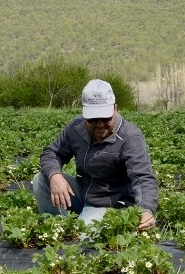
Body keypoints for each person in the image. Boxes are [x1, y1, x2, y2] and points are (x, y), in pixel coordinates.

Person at [32, 79, 158, 230]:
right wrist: (55, 176)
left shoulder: (130, 137)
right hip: (84, 192)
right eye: (93, 119)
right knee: (41, 180)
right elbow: (52, 153)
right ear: (85, 114)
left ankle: (75, 230)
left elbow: (143, 177)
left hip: (112, 203)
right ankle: (56, 229)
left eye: (106, 118)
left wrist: (146, 209)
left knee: (86, 236)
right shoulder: (76, 127)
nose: (100, 124)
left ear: (115, 109)